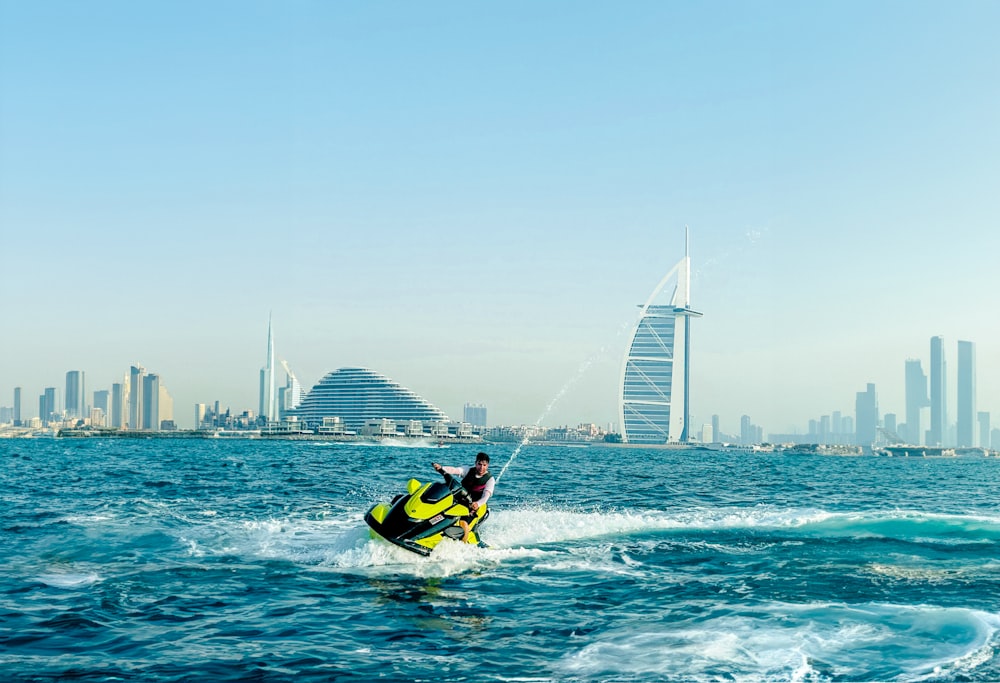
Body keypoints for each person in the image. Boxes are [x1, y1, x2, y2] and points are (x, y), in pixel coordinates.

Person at [432, 452, 495, 543]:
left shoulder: (490, 479)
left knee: (462, 523)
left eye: (484, 465)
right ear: (475, 463)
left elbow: (486, 496)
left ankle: (462, 546)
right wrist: (442, 468)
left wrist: (478, 503)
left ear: (487, 465)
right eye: (479, 464)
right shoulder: (468, 470)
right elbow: (455, 470)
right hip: (461, 500)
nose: (481, 467)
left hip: (475, 505)